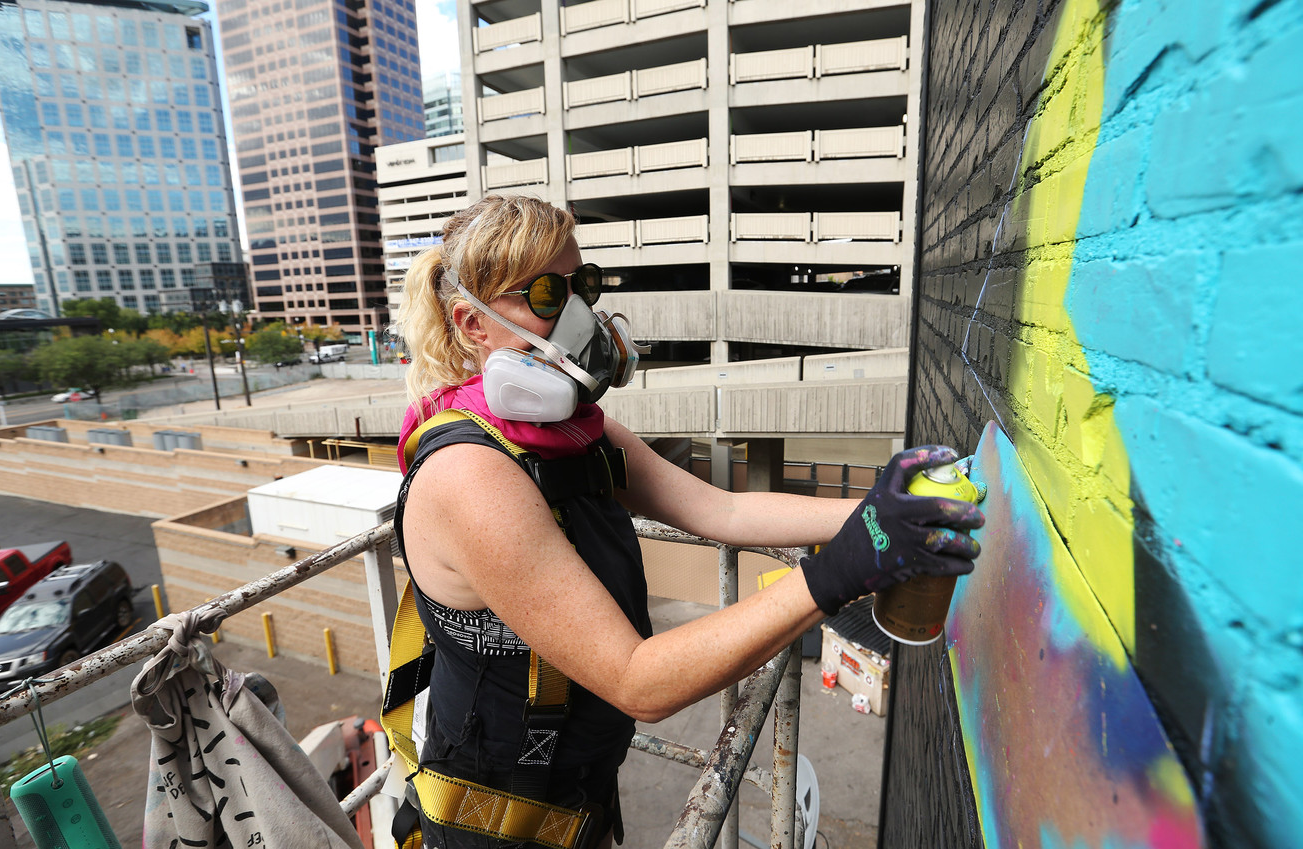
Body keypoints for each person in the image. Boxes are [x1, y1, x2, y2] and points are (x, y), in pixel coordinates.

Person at [388, 195, 984, 848]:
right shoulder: (471, 477)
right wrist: (844, 566)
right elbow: (638, 680)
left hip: (575, 796)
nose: (582, 315)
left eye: (582, 284)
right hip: (497, 821)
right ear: (473, 324)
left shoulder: (572, 431)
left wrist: (881, 513)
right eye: (547, 293)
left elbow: (718, 508)